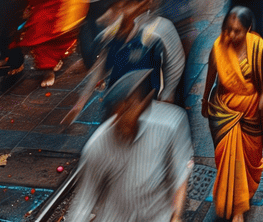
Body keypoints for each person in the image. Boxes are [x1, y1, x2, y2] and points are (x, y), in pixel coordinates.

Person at [67, 70, 193, 222]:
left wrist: (176, 216)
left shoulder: (171, 124)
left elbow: (180, 175)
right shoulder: (97, 145)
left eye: (130, 107)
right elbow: (84, 200)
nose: (124, 116)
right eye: (118, 110)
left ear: (144, 104)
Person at [200, 8, 263, 222]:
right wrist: (205, 100)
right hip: (223, 113)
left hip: (253, 113)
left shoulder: (260, 50)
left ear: (249, 29)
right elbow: (211, 76)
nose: (231, 35)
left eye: (237, 31)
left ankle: (242, 199)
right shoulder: (218, 48)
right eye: (228, 30)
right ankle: (238, 208)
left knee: (250, 158)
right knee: (228, 158)